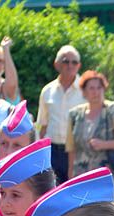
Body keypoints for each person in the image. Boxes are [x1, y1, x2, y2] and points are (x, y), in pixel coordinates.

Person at [66, 70, 114, 192]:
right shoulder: (74, 115)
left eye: (99, 88)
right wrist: (70, 177)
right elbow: (71, 148)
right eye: (91, 88)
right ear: (84, 92)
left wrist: (104, 144)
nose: (96, 92)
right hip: (81, 177)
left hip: (108, 177)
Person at [37, 45, 85, 183]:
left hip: (77, 152)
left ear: (79, 65)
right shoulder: (47, 91)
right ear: (56, 64)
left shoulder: (86, 90)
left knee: (75, 190)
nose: (70, 65)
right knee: (51, 189)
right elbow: (43, 125)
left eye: (74, 62)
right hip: (52, 151)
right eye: (66, 61)